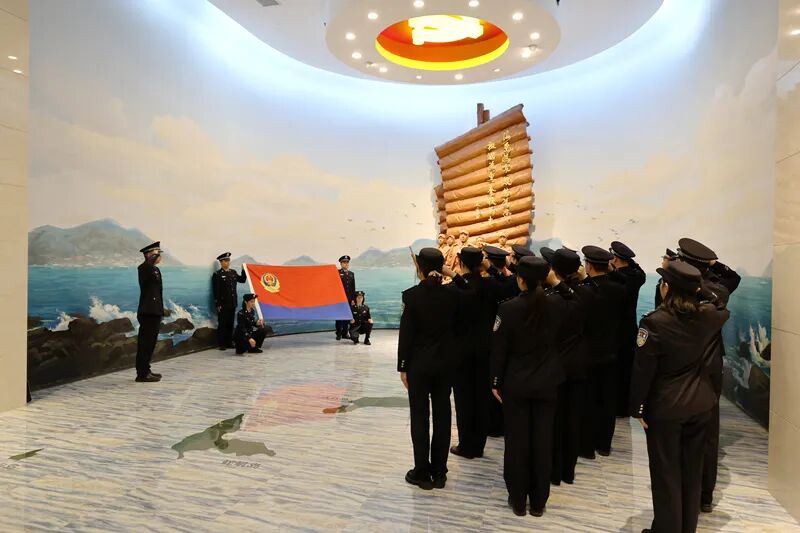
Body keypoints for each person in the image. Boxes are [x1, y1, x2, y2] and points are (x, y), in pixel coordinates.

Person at [631, 260, 730, 533]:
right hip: (701, 404)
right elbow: (722, 304)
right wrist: (701, 291)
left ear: (666, 287)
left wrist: (638, 408)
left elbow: (642, 371)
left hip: (666, 408)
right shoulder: (708, 316)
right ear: (695, 289)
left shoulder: (655, 322)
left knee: (666, 475)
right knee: (691, 473)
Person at [491, 257, 571, 517]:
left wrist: (495, 381)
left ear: (521, 280)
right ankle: (538, 501)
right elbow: (575, 301)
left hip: (516, 383)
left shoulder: (508, 308)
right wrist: (556, 283)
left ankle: (517, 499)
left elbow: (499, 350)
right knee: (542, 441)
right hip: (547, 381)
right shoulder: (557, 304)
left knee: (517, 443)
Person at [675, 238, 740, 513]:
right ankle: (704, 494)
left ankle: (682, 491)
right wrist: (713, 265)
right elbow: (733, 279)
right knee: (708, 432)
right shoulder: (718, 290)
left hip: (682, 366)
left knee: (679, 430)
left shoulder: (677, 287)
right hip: (710, 366)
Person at [398, 248, 466, 490]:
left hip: (419, 365)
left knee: (419, 417)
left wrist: (403, 366)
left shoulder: (411, 296)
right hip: (446, 364)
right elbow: (469, 289)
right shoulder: (453, 295)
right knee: (442, 416)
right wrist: (452, 274)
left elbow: (406, 335)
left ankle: (421, 471)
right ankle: (439, 472)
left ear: (420, 267)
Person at [450, 246, 510, 460]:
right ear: (480, 263)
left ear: (460, 261)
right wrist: (491, 269)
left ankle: (467, 445)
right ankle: (478, 445)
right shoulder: (491, 285)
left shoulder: (454, 289)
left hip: (462, 352)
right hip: (486, 350)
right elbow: (510, 283)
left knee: (464, 400)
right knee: (482, 399)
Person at [547, 248, 594, 486]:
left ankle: (553, 471)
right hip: (579, 363)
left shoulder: (551, 298)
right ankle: (568, 470)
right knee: (573, 419)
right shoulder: (588, 293)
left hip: (555, 364)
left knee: (554, 420)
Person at [579, 245, 626, 458]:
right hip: (611, 349)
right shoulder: (619, 289)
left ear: (588, 265)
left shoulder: (585, 290)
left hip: (588, 351)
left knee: (588, 399)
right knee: (607, 400)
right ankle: (604, 444)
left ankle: (586, 446)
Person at [608, 241, 647, 417]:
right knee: (626, 369)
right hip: (630, 328)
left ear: (615, 259)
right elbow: (639, 270)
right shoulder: (637, 276)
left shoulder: (618, 278)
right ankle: (624, 406)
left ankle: (615, 406)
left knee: (615, 371)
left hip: (615, 329)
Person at [136, 242, 165, 383]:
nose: (159, 256)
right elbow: (147, 265)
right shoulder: (144, 268)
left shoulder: (155, 269)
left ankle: (146, 370)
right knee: (145, 344)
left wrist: (160, 309)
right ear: (148, 255)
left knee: (151, 343)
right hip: (148, 311)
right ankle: (142, 374)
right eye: (156, 253)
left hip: (155, 310)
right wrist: (152, 256)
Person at [212, 252, 247, 351]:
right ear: (221, 262)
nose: (228, 262)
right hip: (223, 304)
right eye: (225, 261)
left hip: (232, 303)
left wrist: (243, 270)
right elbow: (216, 291)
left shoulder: (233, 272)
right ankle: (222, 344)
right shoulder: (217, 274)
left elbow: (242, 280)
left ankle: (229, 342)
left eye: (228, 260)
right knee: (222, 324)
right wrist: (218, 304)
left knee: (230, 324)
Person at [335, 255, 356, 340]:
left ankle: (345, 333)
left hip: (349, 299)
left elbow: (353, 288)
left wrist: (353, 299)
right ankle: (338, 333)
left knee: (347, 316)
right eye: (344, 262)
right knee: (339, 317)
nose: (346, 264)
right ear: (341, 263)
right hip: (340, 299)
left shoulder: (351, 274)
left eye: (347, 262)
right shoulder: (337, 273)